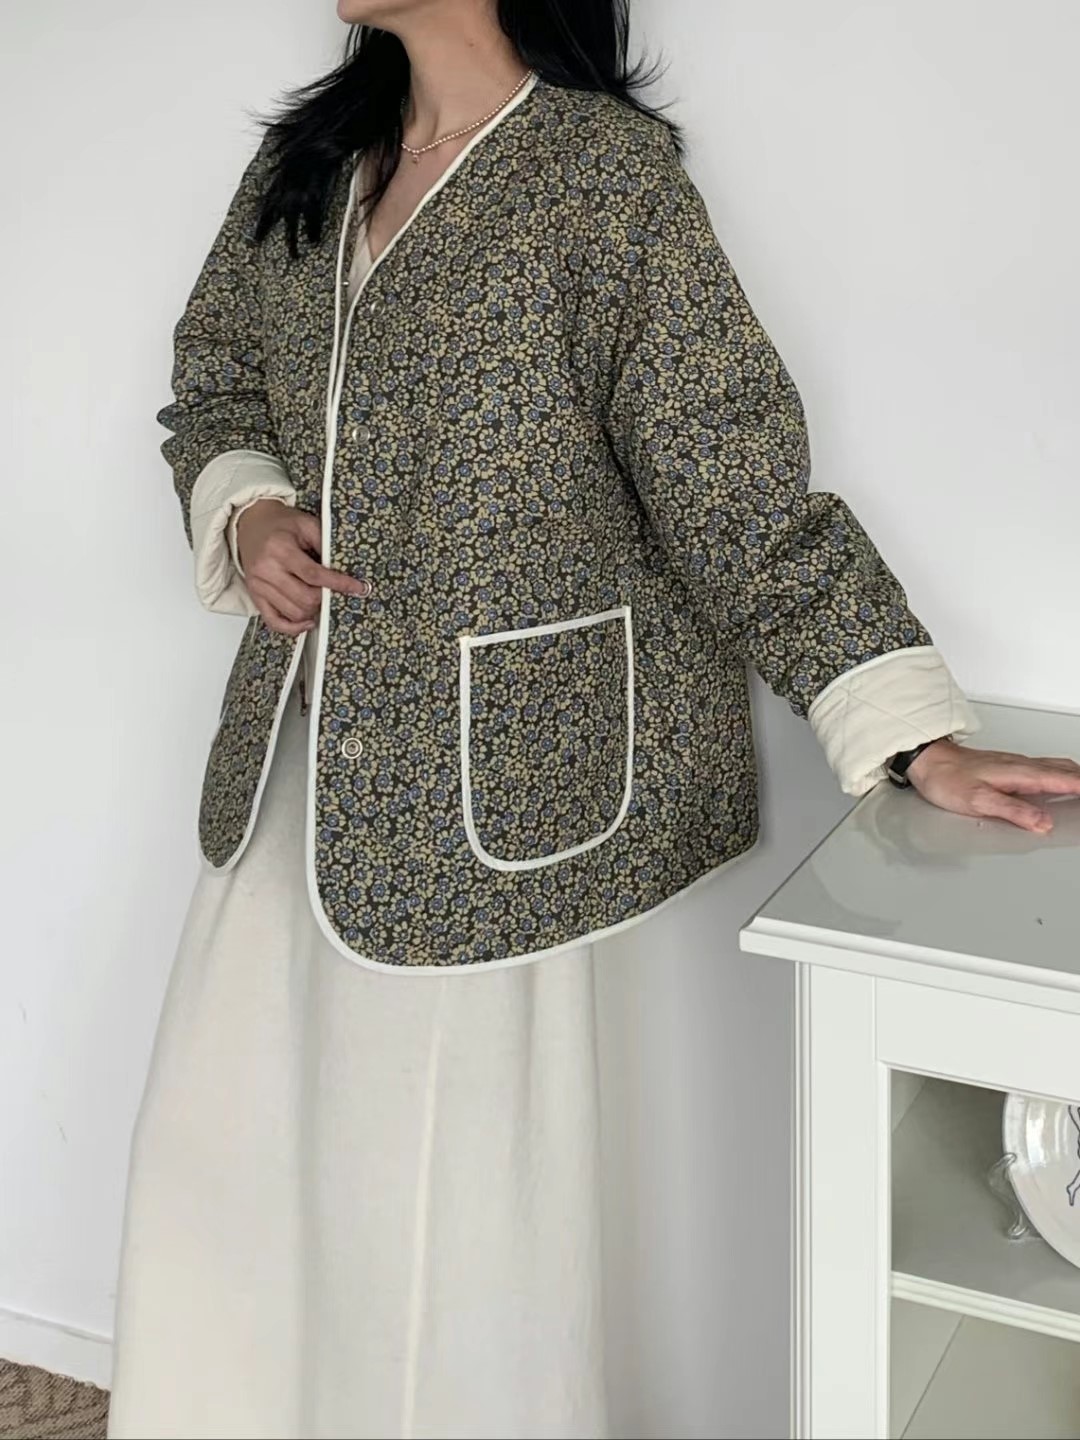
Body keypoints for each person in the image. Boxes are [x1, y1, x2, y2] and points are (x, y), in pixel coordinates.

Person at [107, 1, 1080, 1436]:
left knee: (450, 1202)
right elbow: (214, 379)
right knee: (226, 1154)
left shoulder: (604, 180)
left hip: (496, 782)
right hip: (297, 765)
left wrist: (908, 726)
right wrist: (247, 508)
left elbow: (727, 473)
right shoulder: (306, 164)